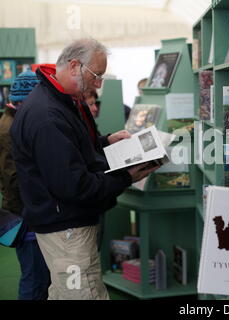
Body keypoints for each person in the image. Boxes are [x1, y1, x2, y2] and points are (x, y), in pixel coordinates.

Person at [10, 38, 158, 300]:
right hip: (67, 228)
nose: (99, 84)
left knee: (66, 291)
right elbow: (74, 186)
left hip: (62, 225)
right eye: (96, 75)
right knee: (82, 293)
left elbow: (68, 152)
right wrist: (126, 176)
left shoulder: (59, 100)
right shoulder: (48, 115)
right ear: (75, 66)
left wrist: (105, 142)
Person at [0, 69, 51, 300]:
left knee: (37, 277)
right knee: (34, 279)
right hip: (26, 217)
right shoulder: (12, 129)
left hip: (24, 212)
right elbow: (14, 179)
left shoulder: (11, 121)